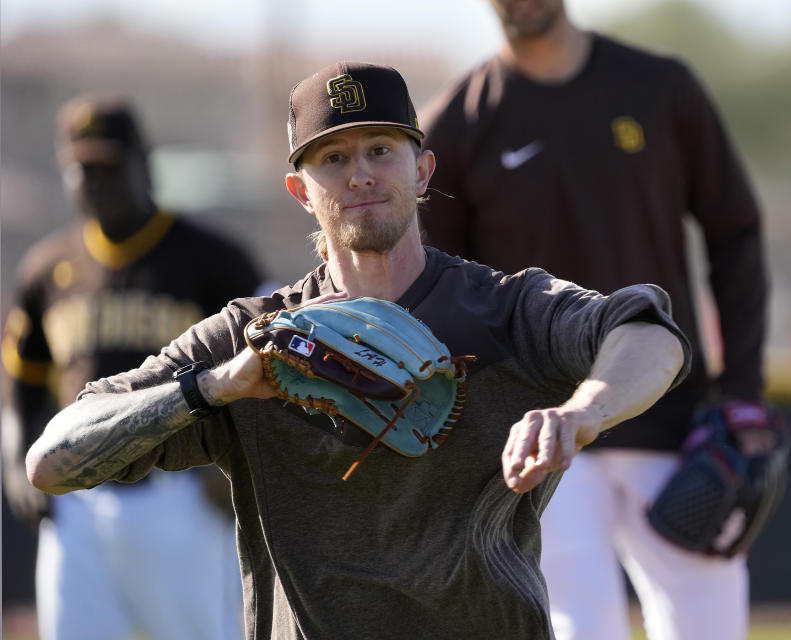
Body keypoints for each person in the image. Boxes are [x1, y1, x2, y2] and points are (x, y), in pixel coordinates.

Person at [24, 62, 691, 640]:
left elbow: (650, 335)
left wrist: (582, 412)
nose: (360, 174)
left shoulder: (504, 309)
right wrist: (215, 387)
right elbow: (52, 462)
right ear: (301, 192)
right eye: (333, 158)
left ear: (422, 169)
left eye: (380, 149)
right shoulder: (249, 336)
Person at [419, 1, 772, 638]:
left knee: (711, 628)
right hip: (540, 433)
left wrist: (742, 395)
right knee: (581, 628)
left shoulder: (661, 87)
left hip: (673, 416)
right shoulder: (454, 124)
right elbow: (440, 291)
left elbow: (736, 234)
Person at [2, 94, 264, 640]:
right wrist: (16, 463)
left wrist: (237, 468)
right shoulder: (46, 270)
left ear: (143, 162)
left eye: (109, 167)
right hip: (77, 501)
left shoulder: (212, 259)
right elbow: (22, 385)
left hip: (182, 493)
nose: (96, 182)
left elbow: (266, 365)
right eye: (81, 169)